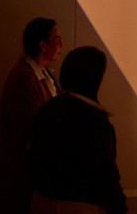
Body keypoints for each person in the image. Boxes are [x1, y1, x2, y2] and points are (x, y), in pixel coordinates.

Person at [29, 46, 126, 214]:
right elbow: (105, 177)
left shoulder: (48, 109)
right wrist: (120, 207)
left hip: (42, 203)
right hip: (83, 206)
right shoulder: (95, 122)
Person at [0, 18, 62, 214]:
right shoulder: (24, 77)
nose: (61, 44)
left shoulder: (43, 75)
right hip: (17, 179)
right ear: (43, 45)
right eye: (57, 39)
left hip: (29, 177)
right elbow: (35, 130)